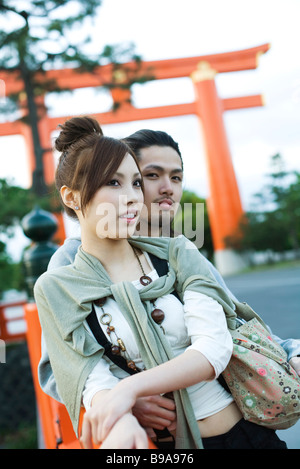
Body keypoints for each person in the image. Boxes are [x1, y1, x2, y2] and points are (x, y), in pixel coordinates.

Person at [34, 115, 289, 449]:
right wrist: (119, 412)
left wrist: (126, 391)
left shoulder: (179, 252)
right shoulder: (60, 280)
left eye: (136, 183)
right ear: (71, 197)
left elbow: (218, 343)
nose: (132, 196)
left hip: (241, 436)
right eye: (114, 182)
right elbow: (81, 373)